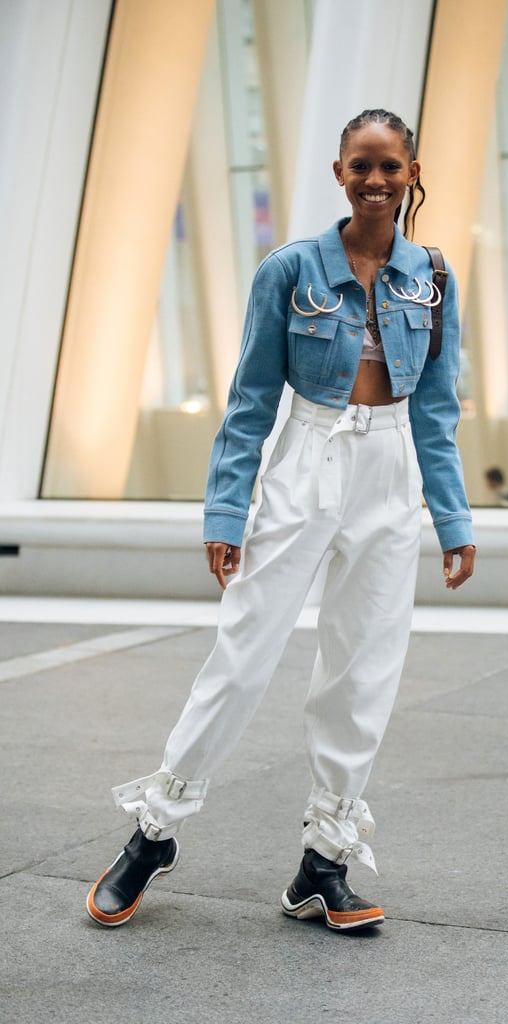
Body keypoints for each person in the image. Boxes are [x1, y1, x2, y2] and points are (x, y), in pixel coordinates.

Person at [86, 109, 476, 933]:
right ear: (338, 173)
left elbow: (436, 411)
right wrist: (227, 509)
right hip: (305, 460)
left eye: (390, 167)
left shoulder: (432, 278)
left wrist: (451, 517)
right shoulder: (290, 271)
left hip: (390, 467)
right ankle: (153, 833)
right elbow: (251, 400)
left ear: (411, 174)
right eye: (359, 167)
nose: (375, 181)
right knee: (244, 652)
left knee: (363, 670)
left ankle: (323, 863)